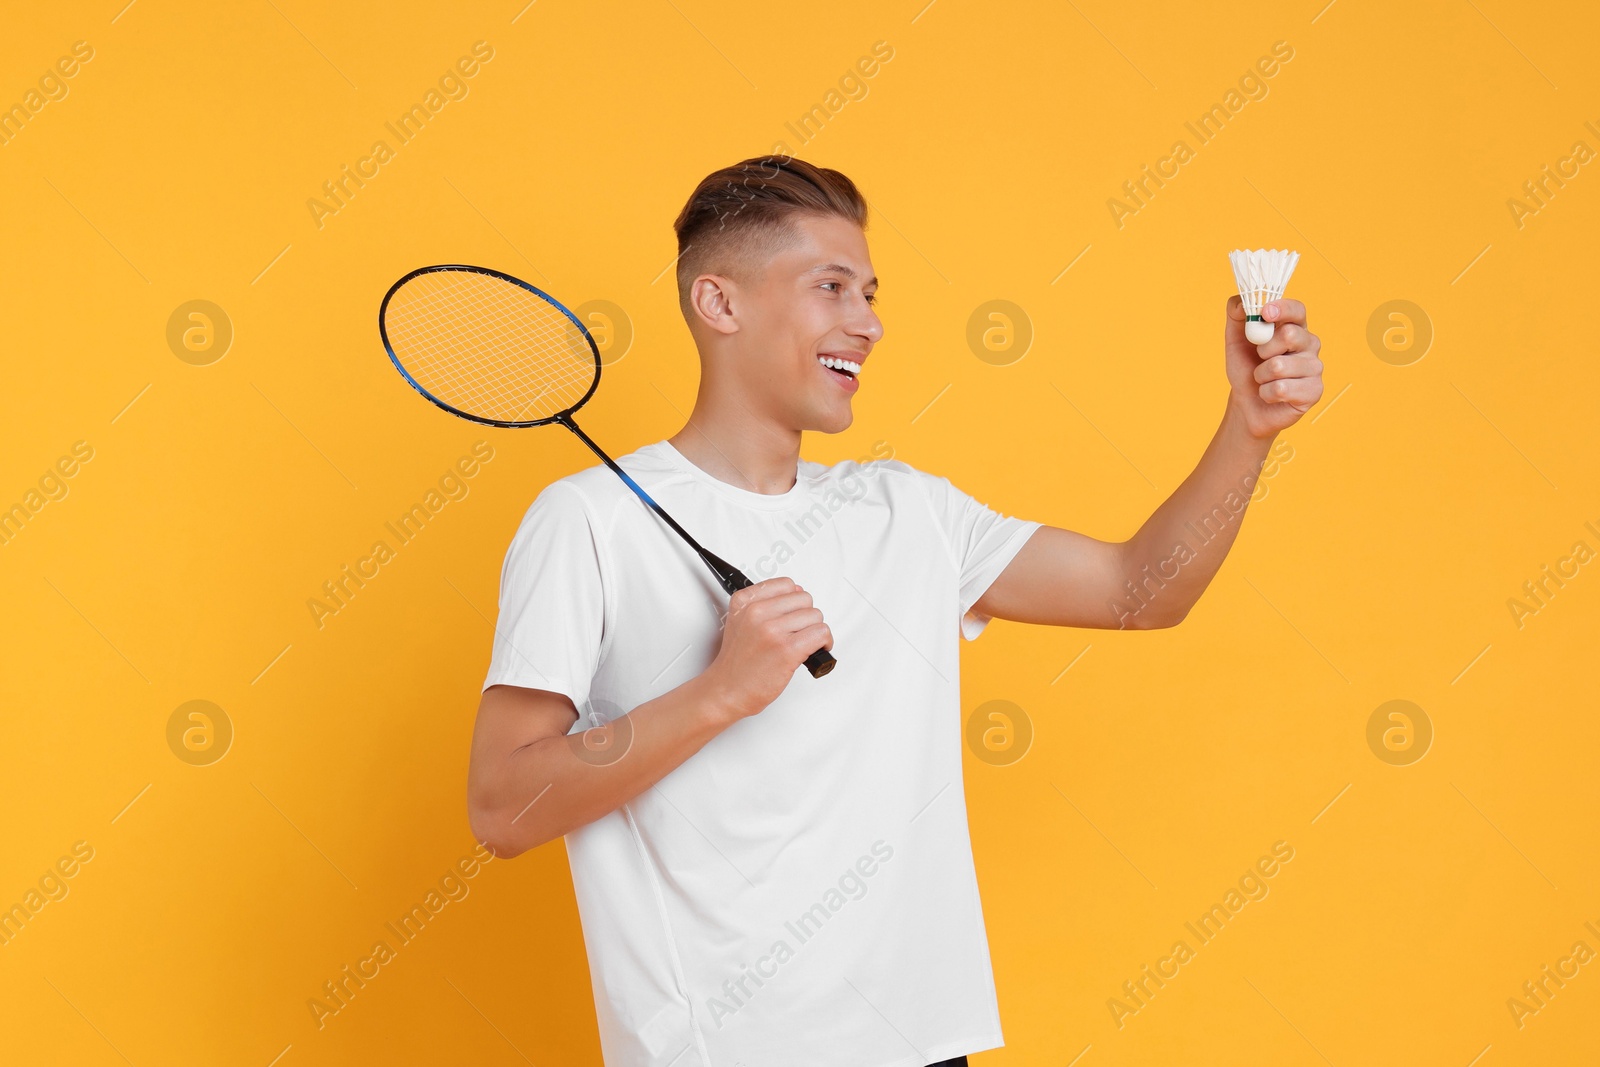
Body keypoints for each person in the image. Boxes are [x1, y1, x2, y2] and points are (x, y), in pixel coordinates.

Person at [465, 156, 1323, 1067]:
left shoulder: (908, 510)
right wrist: (721, 691)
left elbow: (1139, 590)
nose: (868, 323)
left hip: (924, 1045)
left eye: (870, 293)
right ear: (720, 305)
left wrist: (1249, 426)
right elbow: (503, 806)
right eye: (831, 287)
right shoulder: (587, 520)